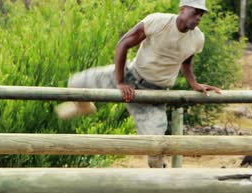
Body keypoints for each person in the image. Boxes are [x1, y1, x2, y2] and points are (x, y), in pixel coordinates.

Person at [56, 0, 221, 168]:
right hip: (131, 75)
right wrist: (120, 81)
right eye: (195, 12)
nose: (198, 17)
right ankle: (84, 107)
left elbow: (186, 61)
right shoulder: (158, 21)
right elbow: (124, 43)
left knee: (155, 153)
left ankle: (164, 190)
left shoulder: (197, 38)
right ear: (182, 9)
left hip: (154, 96)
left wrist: (194, 84)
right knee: (75, 82)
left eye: (201, 14)